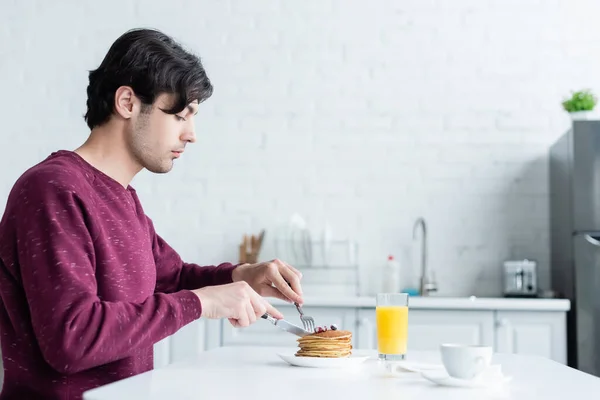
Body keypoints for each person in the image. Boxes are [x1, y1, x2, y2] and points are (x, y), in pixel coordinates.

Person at [0, 28, 304, 400]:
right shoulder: (53, 191)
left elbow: (170, 278)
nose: (191, 135)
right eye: (179, 115)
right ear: (127, 102)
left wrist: (242, 275)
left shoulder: (122, 198)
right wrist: (203, 302)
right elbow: (73, 338)